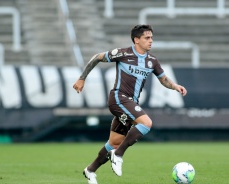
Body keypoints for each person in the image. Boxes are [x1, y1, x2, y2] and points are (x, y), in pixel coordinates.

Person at [73, 24, 187, 184]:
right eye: (147, 38)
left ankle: (90, 170)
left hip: (130, 103)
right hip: (118, 98)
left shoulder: (152, 61)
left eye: (152, 38)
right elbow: (97, 57)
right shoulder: (123, 53)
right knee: (146, 123)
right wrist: (82, 77)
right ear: (136, 40)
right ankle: (118, 155)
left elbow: (163, 79)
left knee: (114, 142)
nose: (151, 41)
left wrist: (175, 86)